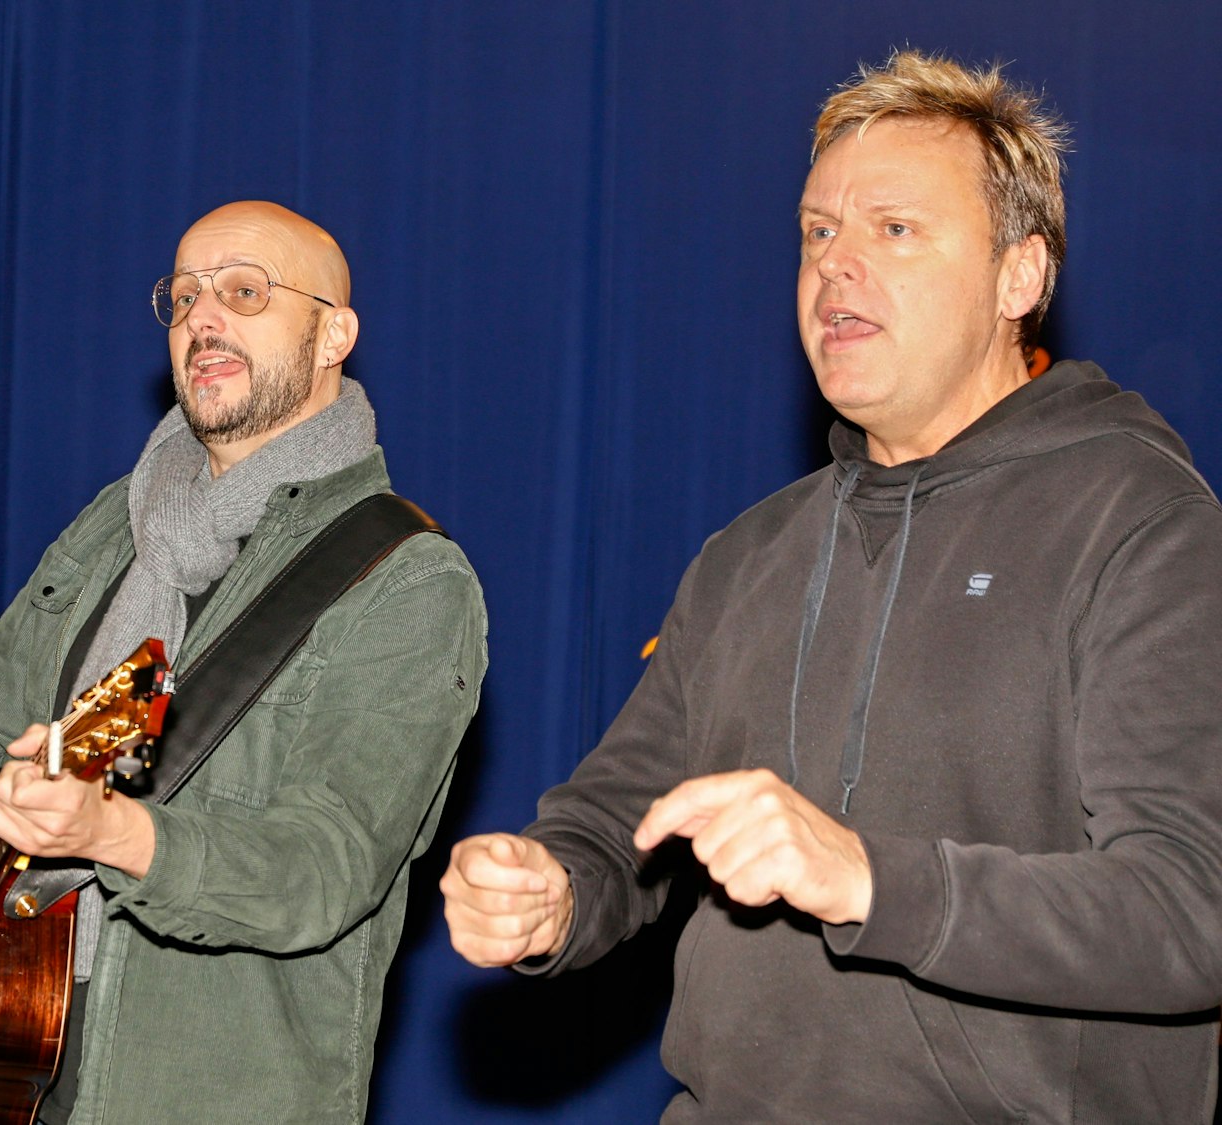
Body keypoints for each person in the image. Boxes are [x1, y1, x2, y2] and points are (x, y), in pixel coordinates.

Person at [441, 50, 1222, 1122]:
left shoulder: (1139, 521)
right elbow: (618, 819)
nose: (834, 268)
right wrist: (551, 891)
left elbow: (1190, 911)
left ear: (1018, 277)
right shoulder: (747, 554)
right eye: (817, 232)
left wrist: (866, 879)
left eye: (893, 229)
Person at [0, 201, 488, 1123]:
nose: (204, 319)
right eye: (184, 297)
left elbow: (323, 867)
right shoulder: (112, 526)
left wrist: (111, 834)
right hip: (1, 1065)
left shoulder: (405, 580)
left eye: (246, 291)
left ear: (335, 334)